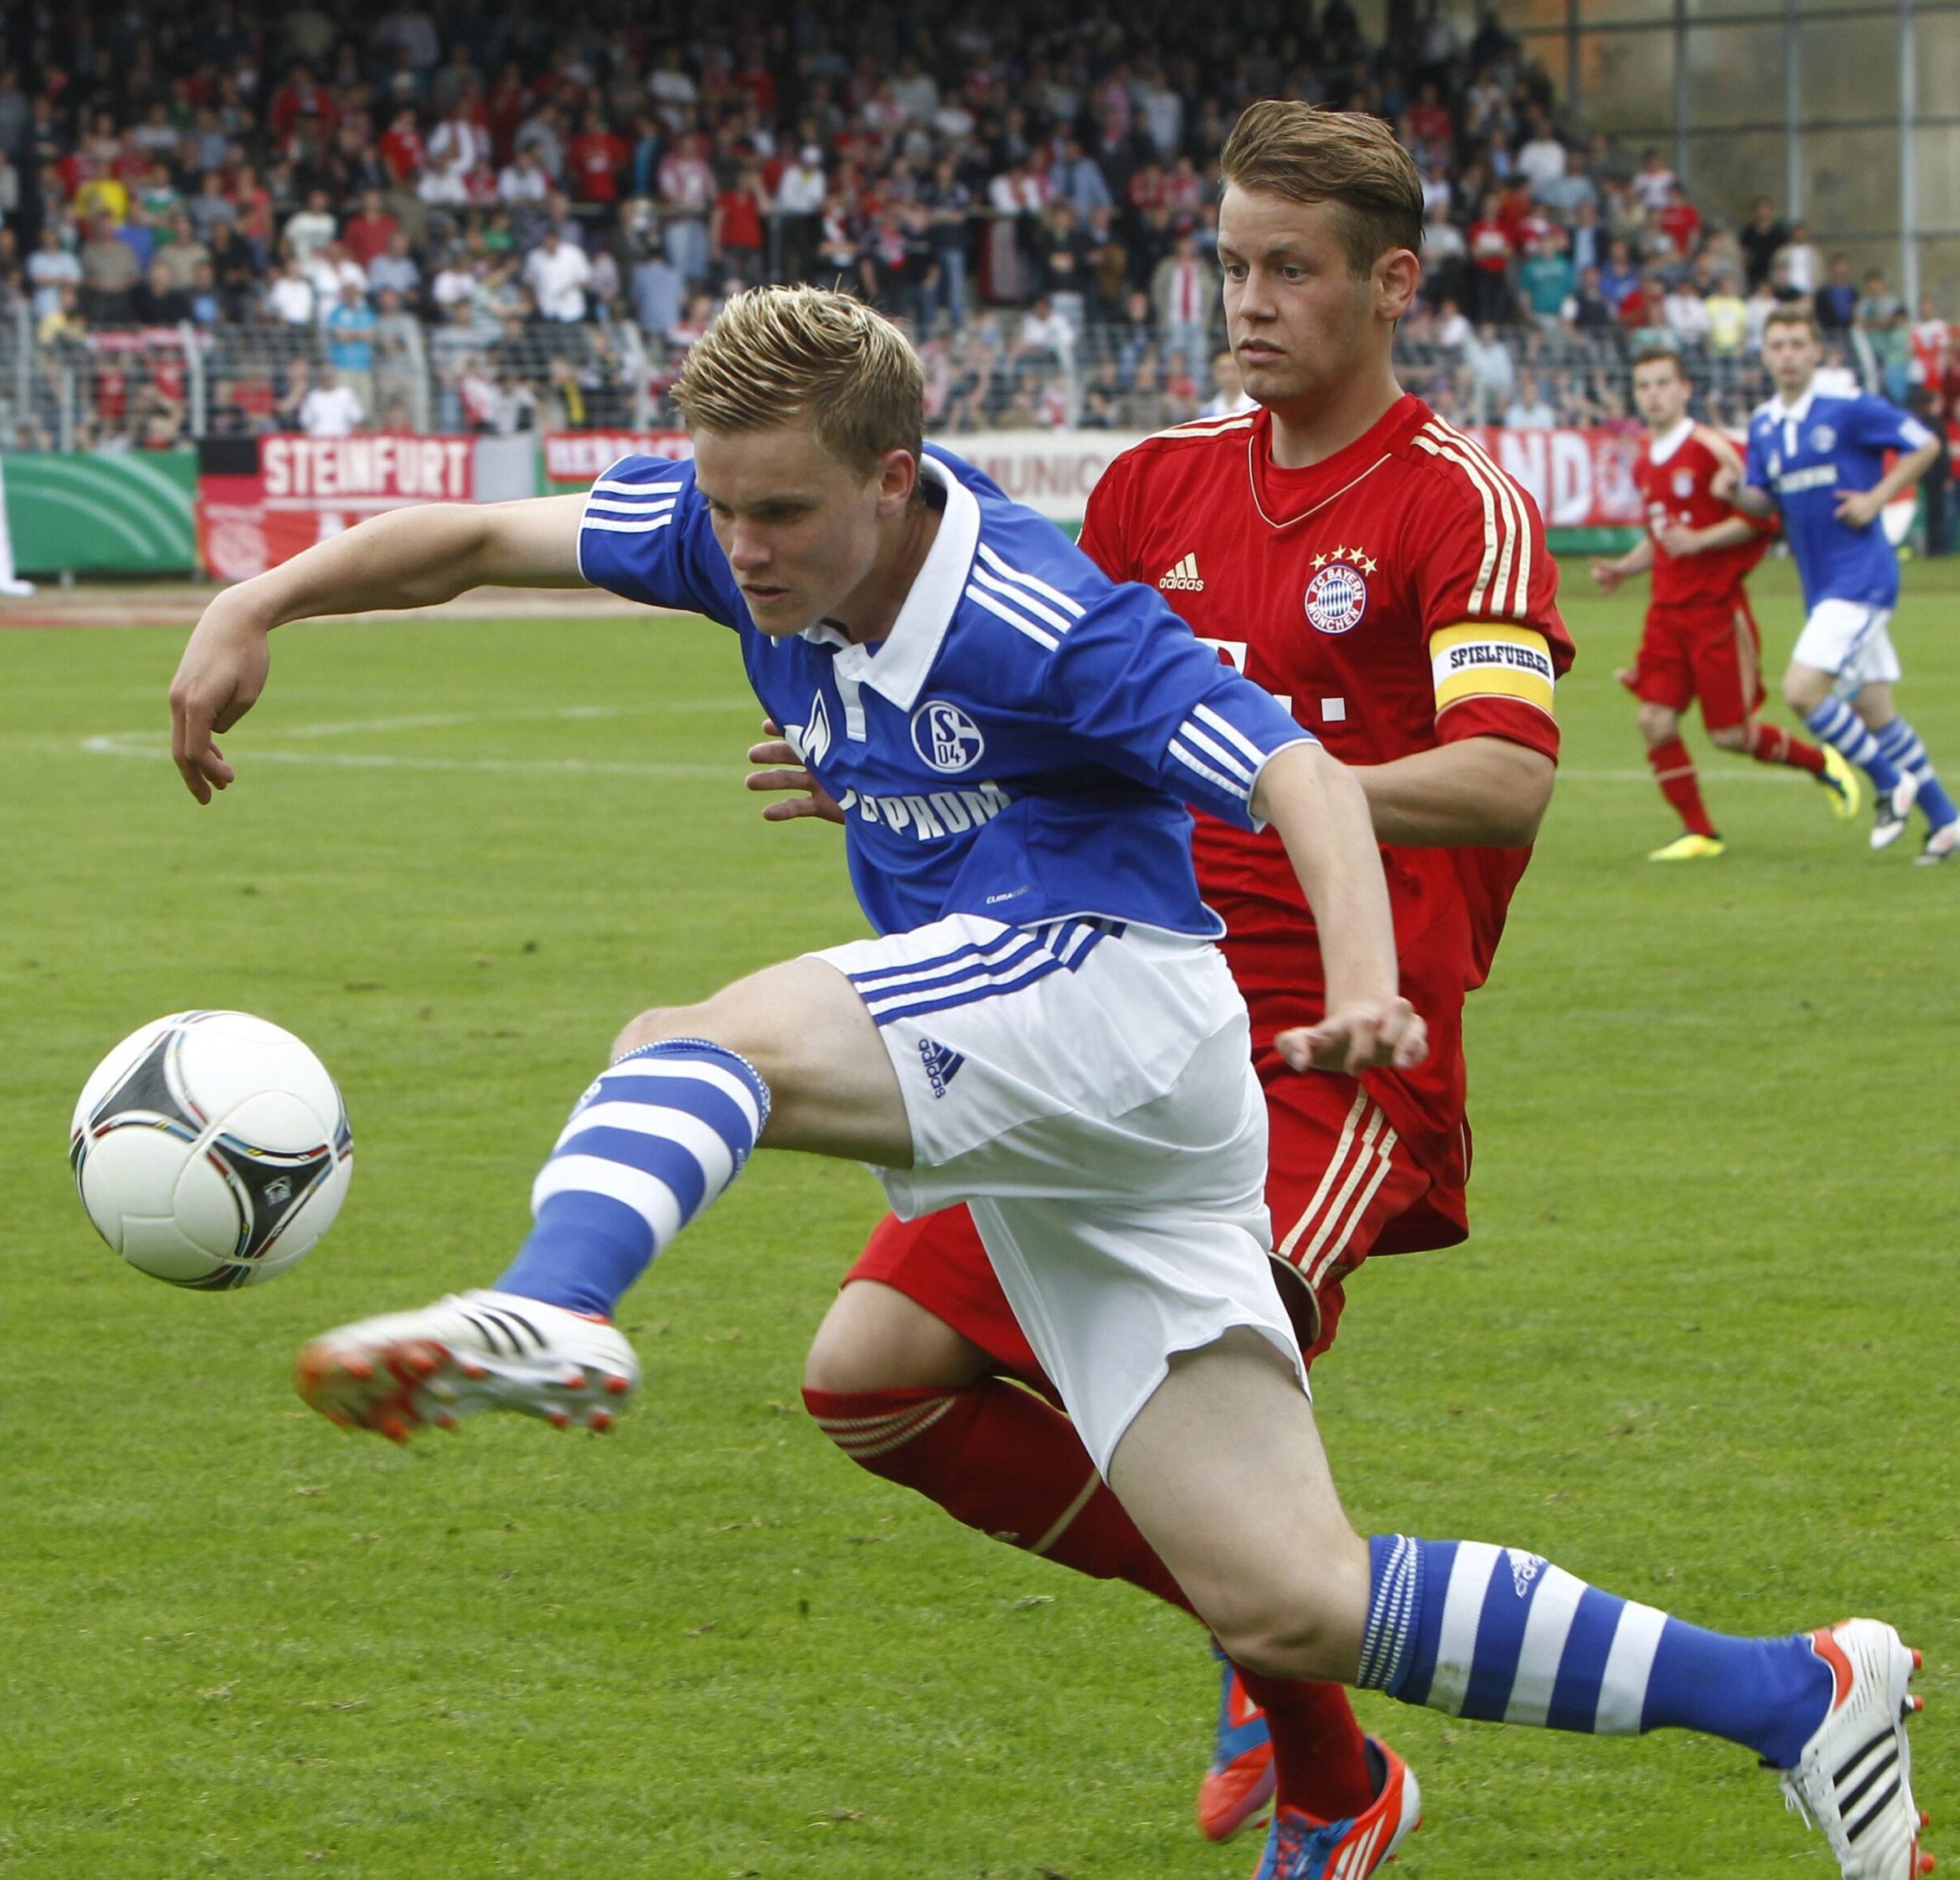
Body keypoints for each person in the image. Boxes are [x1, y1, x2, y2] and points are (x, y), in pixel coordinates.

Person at [171, 279, 1925, 1880]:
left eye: (782, 510)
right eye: (720, 505)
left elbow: (1299, 776)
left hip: (1114, 1002)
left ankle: (552, 1304)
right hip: (1072, 1116)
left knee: (688, 1043)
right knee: (1291, 1597)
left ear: (894, 475)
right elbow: (477, 534)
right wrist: (259, 596)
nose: (743, 547)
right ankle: (1792, 1691)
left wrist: (1371, 987)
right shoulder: (731, 534)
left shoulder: (1035, 607)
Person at [738, 120, 1926, 1880]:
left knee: (1252, 1507)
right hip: (1104, 1001)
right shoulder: (1151, 486)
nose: (1248, 302)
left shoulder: (1456, 501)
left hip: (1329, 1045)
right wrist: (905, 764)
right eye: (1228, 263)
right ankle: (1357, 1744)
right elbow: (1049, 713)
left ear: (1389, 282)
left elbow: (1505, 776)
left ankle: (1635, 1714)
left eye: (1289, 267)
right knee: (873, 1379)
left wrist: (1261, 768)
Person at [1591, 346, 1857, 859]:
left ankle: (1822, 764)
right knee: (1654, 721)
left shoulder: (1713, 448)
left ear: (1686, 389)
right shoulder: (1646, 462)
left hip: (1715, 612)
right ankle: (1701, 833)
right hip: (1665, 613)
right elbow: (1664, 533)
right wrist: (1625, 569)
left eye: (1664, 383)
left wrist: (1703, 541)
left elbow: (1764, 518)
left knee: (1732, 735)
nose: (1654, 394)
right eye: (1644, 385)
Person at [1717, 305, 1958, 862]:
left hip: (1862, 578)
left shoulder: (1847, 411)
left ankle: (1885, 780)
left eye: (1798, 344)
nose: (1788, 355)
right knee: (1876, 711)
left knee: (1802, 691)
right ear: (1765, 354)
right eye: (1777, 345)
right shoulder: (1765, 425)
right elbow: (1764, 499)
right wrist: (1734, 492)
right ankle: (1945, 820)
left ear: (1817, 352)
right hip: (1822, 586)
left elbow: (1924, 443)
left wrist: (1877, 498)